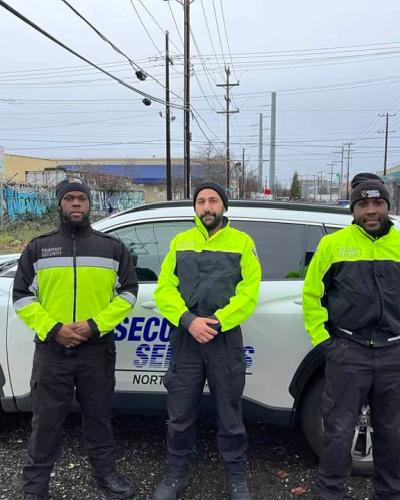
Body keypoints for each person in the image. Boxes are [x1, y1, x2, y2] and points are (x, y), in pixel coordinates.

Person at [13, 177, 139, 500]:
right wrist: (55, 329)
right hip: (52, 352)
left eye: (81, 199)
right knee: (45, 423)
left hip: (96, 350)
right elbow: (22, 296)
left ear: (89, 204)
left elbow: (128, 293)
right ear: (60, 204)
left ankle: (105, 473)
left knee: (98, 417)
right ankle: (34, 487)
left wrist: (95, 325)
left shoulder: (112, 248)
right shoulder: (38, 248)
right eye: (69, 198)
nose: (76, 204)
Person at [153, 180, 261, 500]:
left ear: (224, 206)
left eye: (213, 200)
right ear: (195, 207)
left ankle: (236, 475)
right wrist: (189, 321)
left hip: (223, 338)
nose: (207, 207)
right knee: (180, 413)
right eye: (201, 201)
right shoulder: (180, 241)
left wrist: (216, 322)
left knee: (230, 413)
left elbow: (249, 291)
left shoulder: (242, 242)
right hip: (186, 338)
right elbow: (164, 289)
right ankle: (176, 474)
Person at [303, 172, 400, 500]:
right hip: (349, 352)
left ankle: (389, 493)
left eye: (377, 203)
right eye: (363, 204)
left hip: (393, 355)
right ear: (354, 209)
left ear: (387, 206)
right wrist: (325, 343)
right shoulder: (332, 245)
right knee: (337, 435)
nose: (371, 210)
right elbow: (311, 295)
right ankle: (330, 494)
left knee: (393, 433)